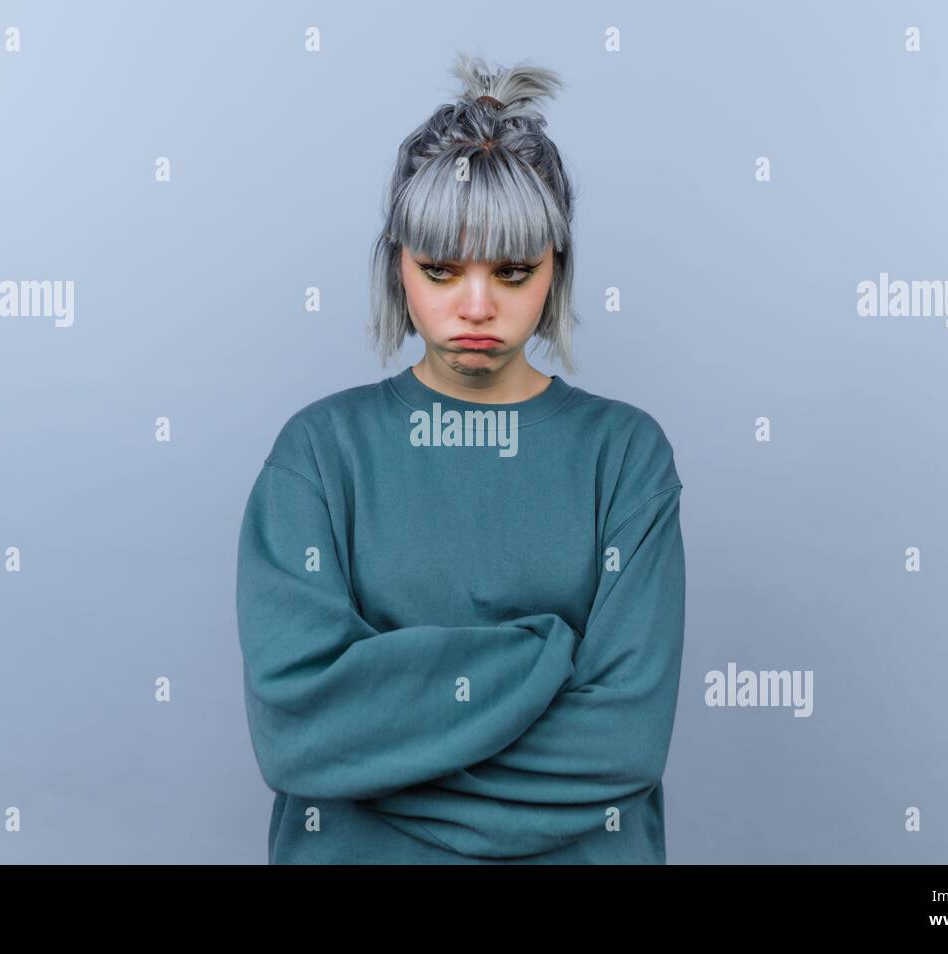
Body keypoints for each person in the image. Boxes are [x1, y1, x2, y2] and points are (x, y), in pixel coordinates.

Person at [236, 52, 686, 864]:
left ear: (557, 266)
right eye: (440, 270)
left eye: (513, 271)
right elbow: (297, 734)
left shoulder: (625, 457)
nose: (476, 306)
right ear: (395, 264)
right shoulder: (317, 454)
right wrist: (544, 652)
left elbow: (625, 745)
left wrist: (380, 766)